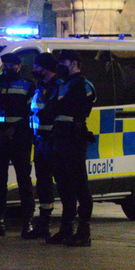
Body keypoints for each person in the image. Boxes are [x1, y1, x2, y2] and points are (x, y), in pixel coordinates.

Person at [48, 49, 97, 247]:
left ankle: (84, 230)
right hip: (60, 137)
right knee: (63, 184)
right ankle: (66, 228)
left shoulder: (83, 85)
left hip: (74, 137)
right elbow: (51, 108)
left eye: (63, 61)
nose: (60, 65)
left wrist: (57, 106)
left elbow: (74, 106)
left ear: (74, 63)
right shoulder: (63, 84)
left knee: (79, 184)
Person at [0, 53, 36, 237]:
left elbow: (30, 112)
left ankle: (28, 222)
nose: (7, 68)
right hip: (0, 138)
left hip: (20, 138)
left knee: (24, 180)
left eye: (11, 65)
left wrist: (14, 129)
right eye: (5, 64)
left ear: (19, 66)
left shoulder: (27, 85)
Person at [26, 52, 62, 239]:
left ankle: (67, 225)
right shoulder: (40, 87)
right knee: (43, 184)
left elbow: (52, 112)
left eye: (37, 67)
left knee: (63, 183)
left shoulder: (58, 87)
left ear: (46, 68)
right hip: (40, 141)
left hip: (54, 142)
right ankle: (44, 224)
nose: (34, 70)